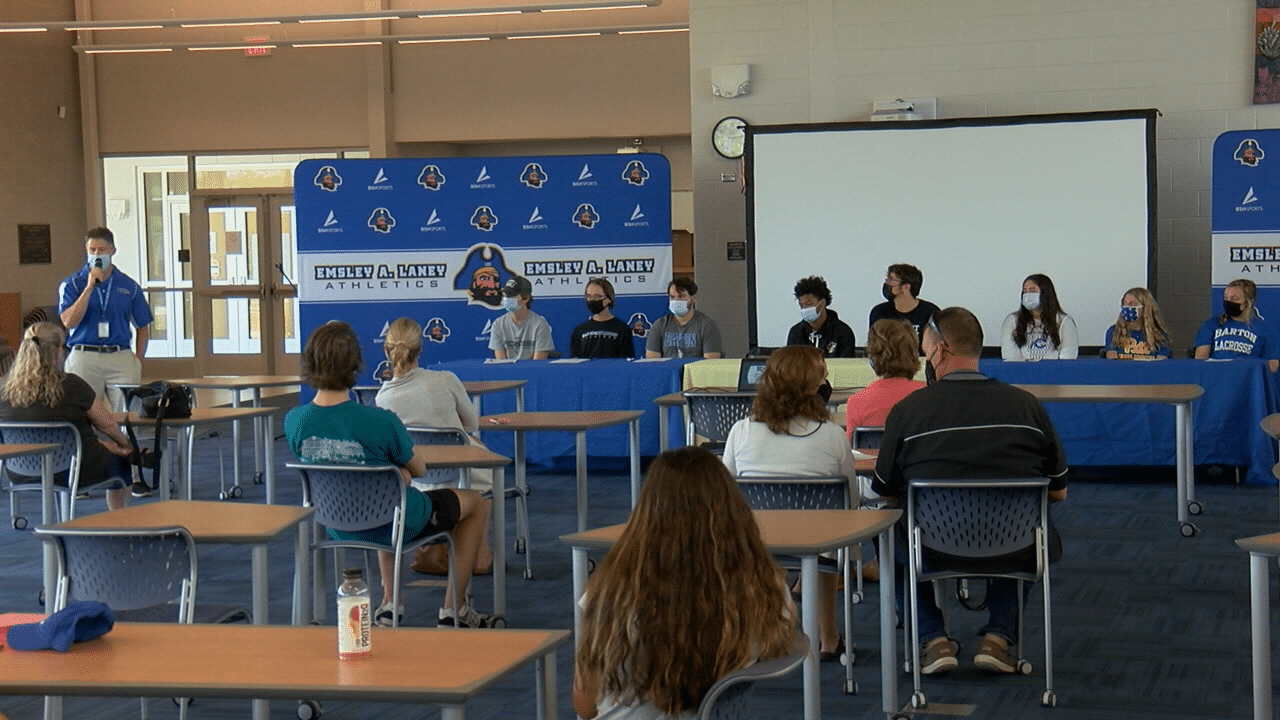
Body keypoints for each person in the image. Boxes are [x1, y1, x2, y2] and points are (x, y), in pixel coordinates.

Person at [874, 307, 1068, 676]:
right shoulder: (1027, 407)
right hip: (1013, 546)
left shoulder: (908, 411)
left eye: (926, 348)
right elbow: (1058, 492)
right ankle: (997, 639)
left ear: (941, 351)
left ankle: (933, 640)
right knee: (1035, 526)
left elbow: (886, 491)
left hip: (931, 545)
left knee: (885, 534)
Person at [285, 321, 493, 628]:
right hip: (396, 521)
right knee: (473, 502)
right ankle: (455, 609)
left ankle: (389, 603)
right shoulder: (380, 420)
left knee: (387, 499)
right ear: (356, 365)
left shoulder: (294, 421)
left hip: (334, 525)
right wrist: (397, 473)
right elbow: (419, 469)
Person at [573, 446, 795, 720]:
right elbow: (784, 642)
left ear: (648, 509)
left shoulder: (613, 591)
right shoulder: (764, 588)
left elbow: (584, 705)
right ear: (731, 506)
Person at [722, 345, 857, 661]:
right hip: (821, 542)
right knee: (828, 536)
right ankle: (827, 637)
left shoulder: (741, 431)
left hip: (758, 542)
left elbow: (727, 492)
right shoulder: (832, 435)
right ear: (816, 385)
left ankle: (765, 635)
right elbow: (849, 499)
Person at [374, 317, 495, 576]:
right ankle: (480, 555)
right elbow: (472, 423)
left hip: (418, 480)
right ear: (421, 349)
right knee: (486, 475)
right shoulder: (445, 380)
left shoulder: (383, 397)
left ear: (386, 350)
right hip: (462, 475)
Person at [0, 322, 134, 512]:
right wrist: (125, 445)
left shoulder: (3, 390)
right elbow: (108, 425)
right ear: (56, 352)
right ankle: (120, 518)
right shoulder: (73, 386)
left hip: (20, 470)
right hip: (75, 469)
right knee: (121, 464)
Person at [58, 226, 153, 413]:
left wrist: (137, 360)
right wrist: (89, 288)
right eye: (92, 250)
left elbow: (143, 326)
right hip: (84, 354)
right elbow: (68, 322)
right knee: (83, 410)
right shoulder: (72, 284)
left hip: (120, 354)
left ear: (112, 251)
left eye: (101, 250)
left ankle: (125, 442)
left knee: (127, 412)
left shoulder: (129, 286)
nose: (96, 254)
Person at [845, 319, 925, 444]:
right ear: (913, 353)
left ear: (872, 356)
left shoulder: (856, 402)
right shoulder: (929, 395)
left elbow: (852, 454)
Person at [1193, 278, 1280, 372]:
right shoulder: (1211, 324)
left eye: (1234, 299)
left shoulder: (1266, 329)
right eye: (1226, 298)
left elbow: (1272, 366)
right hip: (1217, 377)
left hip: (1248, 380)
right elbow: (1200, 360)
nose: (1229, 302)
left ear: (1248, 302)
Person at [1000, 273, 1079, 361]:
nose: (1027, 295)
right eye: (1025, 291)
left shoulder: (1064, 321)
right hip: (1022, 371)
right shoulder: (1013, 320)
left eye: (1032, 291)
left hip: (1054, 371)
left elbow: (1068, 355)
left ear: (1045, 293)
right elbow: (1009, 355)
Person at [645, 278, 723, 359]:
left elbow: (711, 363)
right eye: (672, 297)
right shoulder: (659, 325)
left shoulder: (707, 325)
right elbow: (652, 361)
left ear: (693, 299)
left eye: (681, 296)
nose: (676, 300)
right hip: (667, 371)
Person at [867, 264, 941, 346]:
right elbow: (874, 346)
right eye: (887, 280)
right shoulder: (879, 312)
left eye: (891, 280)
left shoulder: (930, 312)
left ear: (906, 287)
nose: (886, 284)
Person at [786, 275, 856, 357]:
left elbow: (846, 365)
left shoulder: (843, 332)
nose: (804, 309)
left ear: (822, 303)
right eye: (801, 305)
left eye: (809, 304)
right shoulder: (796, 332)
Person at [489, 275, 554, 360]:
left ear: (525, 298)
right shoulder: (498, 324)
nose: (506, 299)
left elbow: (538, 365)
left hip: (532, 371)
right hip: (507, 372)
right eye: (505, 295)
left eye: (511, 296)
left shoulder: (540, 324)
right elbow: (501, 363)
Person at [570, 278, 635, 358]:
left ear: (609, 299)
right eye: (589, 296)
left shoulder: (622, 329)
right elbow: (575, 362)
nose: (592, 300)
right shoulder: (579, 330)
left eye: (597, 297)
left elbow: (625, 361)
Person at [1104, 287, 1172, 360]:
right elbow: (1112, 364)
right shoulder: (1113, 332)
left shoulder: (1160, 335)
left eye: (1132, 304)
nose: (1128, 307)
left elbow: (1161, 365)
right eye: (1125, 304)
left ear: (1145, 308)